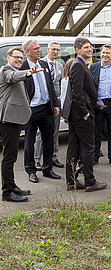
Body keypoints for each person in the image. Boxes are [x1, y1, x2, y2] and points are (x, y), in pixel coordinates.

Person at [61, 38, 107, 192]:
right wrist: (85, 113)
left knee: (73, 148)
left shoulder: (80, 65)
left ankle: (72, 181)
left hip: (76, 114)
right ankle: (90, 181)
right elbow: (77, 93)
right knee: (88, 147)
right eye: (86, 47)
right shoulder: (78, 66)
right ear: (77, 49)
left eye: (91, 47)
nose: (90, 50)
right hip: (81, 115)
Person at [0, 48, 41, 202]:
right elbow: (12, 77)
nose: (19, 60)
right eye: (15, 57)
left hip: (15, 119)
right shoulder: (6, 70)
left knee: (12, 155)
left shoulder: (14, 69)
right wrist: (28, 73)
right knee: (9, 157)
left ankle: (12, 185)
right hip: (8, 119)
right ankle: (7, 192)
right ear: (8, 57)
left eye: (21, 57)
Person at [21, 39, 61, 184]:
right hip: (31, 110)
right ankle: (31, 171)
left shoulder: (43, 64)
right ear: (28, 52)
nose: (39, 50)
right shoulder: (23, 67)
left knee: (48, 140)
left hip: (46, 108)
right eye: (36, 48)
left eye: (39, 48)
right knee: (29, 141)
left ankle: (48, 168)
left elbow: (50, 86)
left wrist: (55, 104)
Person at [34, 42, 64, 170]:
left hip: (56, 103)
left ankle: (53, 156)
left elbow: (61, 84)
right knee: (40, 134)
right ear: (48, 50)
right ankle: (36, 159)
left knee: (55, 132)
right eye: (53, 49)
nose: (56, 52)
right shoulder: (39, 63)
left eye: (58, 50)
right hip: (44, 103)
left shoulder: (60, 66)